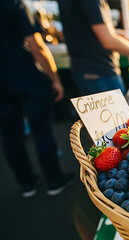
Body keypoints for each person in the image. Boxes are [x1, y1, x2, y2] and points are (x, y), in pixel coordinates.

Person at [0, 0, 74, 197]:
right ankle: (54, 180)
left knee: (10, 136)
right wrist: (55, 79)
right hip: (28, 78)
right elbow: (36, 46)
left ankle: (27, 184)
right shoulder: (15, 5)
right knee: (42, 131)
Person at [58, 0, 129, 95]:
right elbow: (108, 40)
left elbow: (95, 32)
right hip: (99, 72)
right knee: (119, 114)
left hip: (85, 69)